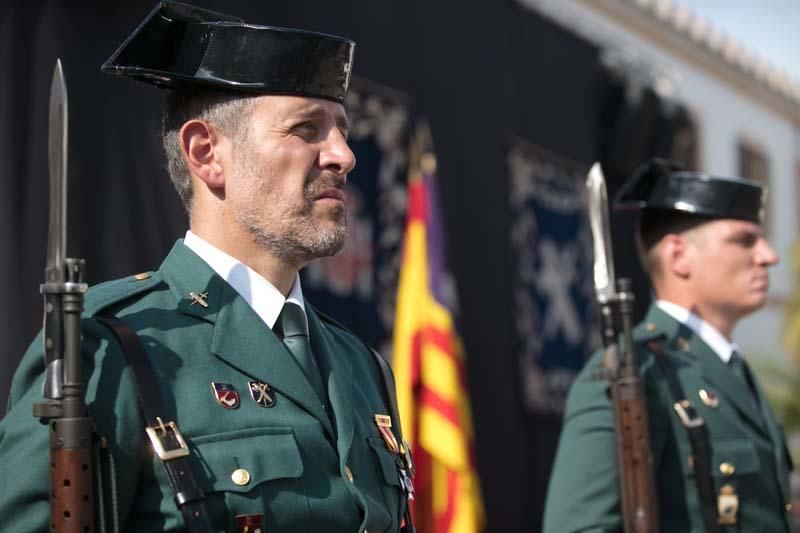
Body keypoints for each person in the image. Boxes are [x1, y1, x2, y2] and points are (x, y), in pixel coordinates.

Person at [0, 2, 412, 532]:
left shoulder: (363, 368)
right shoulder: (108, 348)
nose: (343, 155)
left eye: (341, 130)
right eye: (306, 128)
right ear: (207, 153)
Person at [543, 159, 793, 532]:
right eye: (744, 240)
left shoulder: (733, 373)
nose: (768, 256)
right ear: (679, 256)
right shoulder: (633, 372)